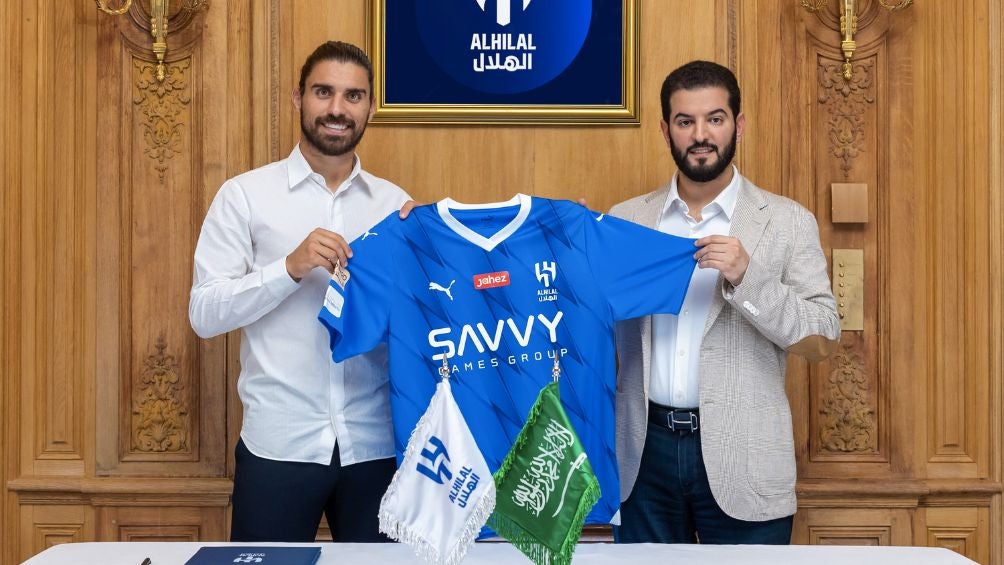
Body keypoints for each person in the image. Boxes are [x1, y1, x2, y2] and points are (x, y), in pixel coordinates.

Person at [189, 41, 414, 542]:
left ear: (370, 107)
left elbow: (425, 320)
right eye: (323, 92)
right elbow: (204, 313)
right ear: (298, 99)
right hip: (278, 446)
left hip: (374, 446)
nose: (337, 109)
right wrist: (287, 269)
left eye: (353, 96)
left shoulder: (395, 205)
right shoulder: (245, 195)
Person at [610, 60, 840, 544]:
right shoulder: (626, 221)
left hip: (748, 458)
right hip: (643, 455)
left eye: (715, 119)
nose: (701, 135)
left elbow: (821, 340)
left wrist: (748, 277)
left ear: (738, 125)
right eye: (685, 121)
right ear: (665, 129)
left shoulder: (785, 221)